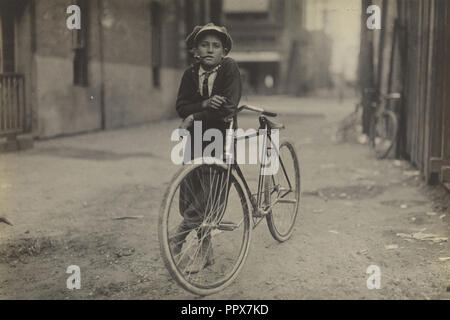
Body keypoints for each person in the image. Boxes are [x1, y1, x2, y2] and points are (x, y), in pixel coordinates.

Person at [171, 23, 242, 273]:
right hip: (195, 139)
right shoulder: (190, 74)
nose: (210, 50)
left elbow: (227, 109)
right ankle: (206, 249)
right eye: (204, 45)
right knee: (191, 189)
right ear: (195, 51)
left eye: (216, 46)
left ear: (224, 51)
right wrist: (205, 103)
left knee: (210, 194)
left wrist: (194, 116)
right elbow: (181, 106)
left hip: (220, 137)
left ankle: (179, 237)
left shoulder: (230, 68)